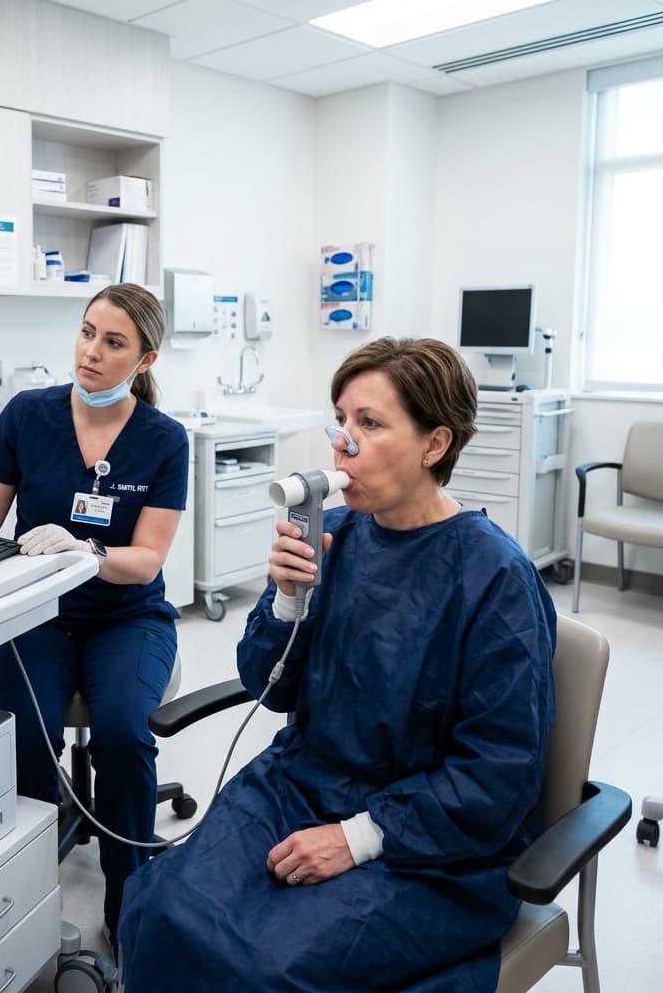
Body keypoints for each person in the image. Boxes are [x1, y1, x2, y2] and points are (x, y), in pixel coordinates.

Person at [118, 337, 557, 993]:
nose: (342, 443)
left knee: (268, 967)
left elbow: (496, 776)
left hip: (432, 845)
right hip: (302, 783)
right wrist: (289, 602)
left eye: (370, 424)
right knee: (158, 909)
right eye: (341, 421)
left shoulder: (495, 579)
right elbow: (269, 685)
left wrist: (357, 838)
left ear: (435, 445)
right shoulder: (335, 534)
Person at [0, 283, 188, 944]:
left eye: (114, 343)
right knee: (22, 735)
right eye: (87, 333)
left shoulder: (165, 440)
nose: (92, 352)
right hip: (33, 613)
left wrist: (87, 550)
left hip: (127, 615)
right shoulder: (28, 415)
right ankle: (22, 900)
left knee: (122, 731)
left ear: (146, 360)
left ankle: (127, 906)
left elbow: (146, 559)